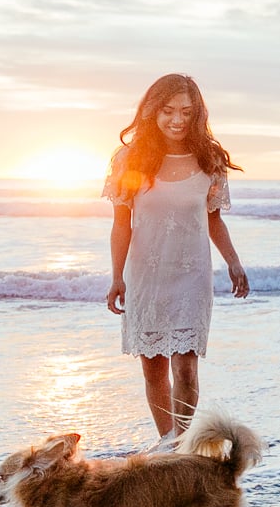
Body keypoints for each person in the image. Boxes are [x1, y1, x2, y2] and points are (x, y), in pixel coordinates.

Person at [103, 73, 249, 443]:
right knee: (154, 370)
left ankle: (185, 445)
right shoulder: (130, 159)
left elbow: (213, 219)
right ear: (153, 112)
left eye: (186, 111)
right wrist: (116, 276)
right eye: (168, 110)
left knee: (185, 368)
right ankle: (169, 442)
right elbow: (122, 224)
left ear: (197, 113)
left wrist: (233, 261)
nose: (177, 119)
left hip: (191, 275)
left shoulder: (209, 160)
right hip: (146, 276)